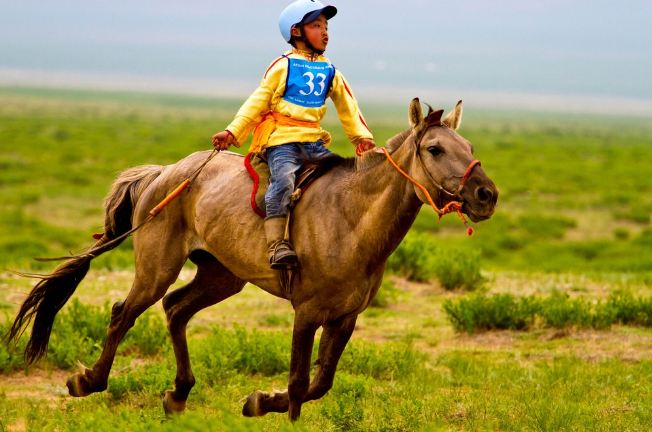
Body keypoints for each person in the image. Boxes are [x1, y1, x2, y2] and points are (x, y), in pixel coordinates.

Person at [212, 0, 376, 270]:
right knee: (284, 180)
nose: (325, 32)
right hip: (282, 140)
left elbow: (348, 105)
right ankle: (276, 245)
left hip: (313, 141)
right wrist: (233, 131)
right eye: (316, 25)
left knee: (342, 180)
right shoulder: (282, 66)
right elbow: (258, 101)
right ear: (297, 32)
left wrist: (361, 137)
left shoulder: (330, 70)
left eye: (326, 26)